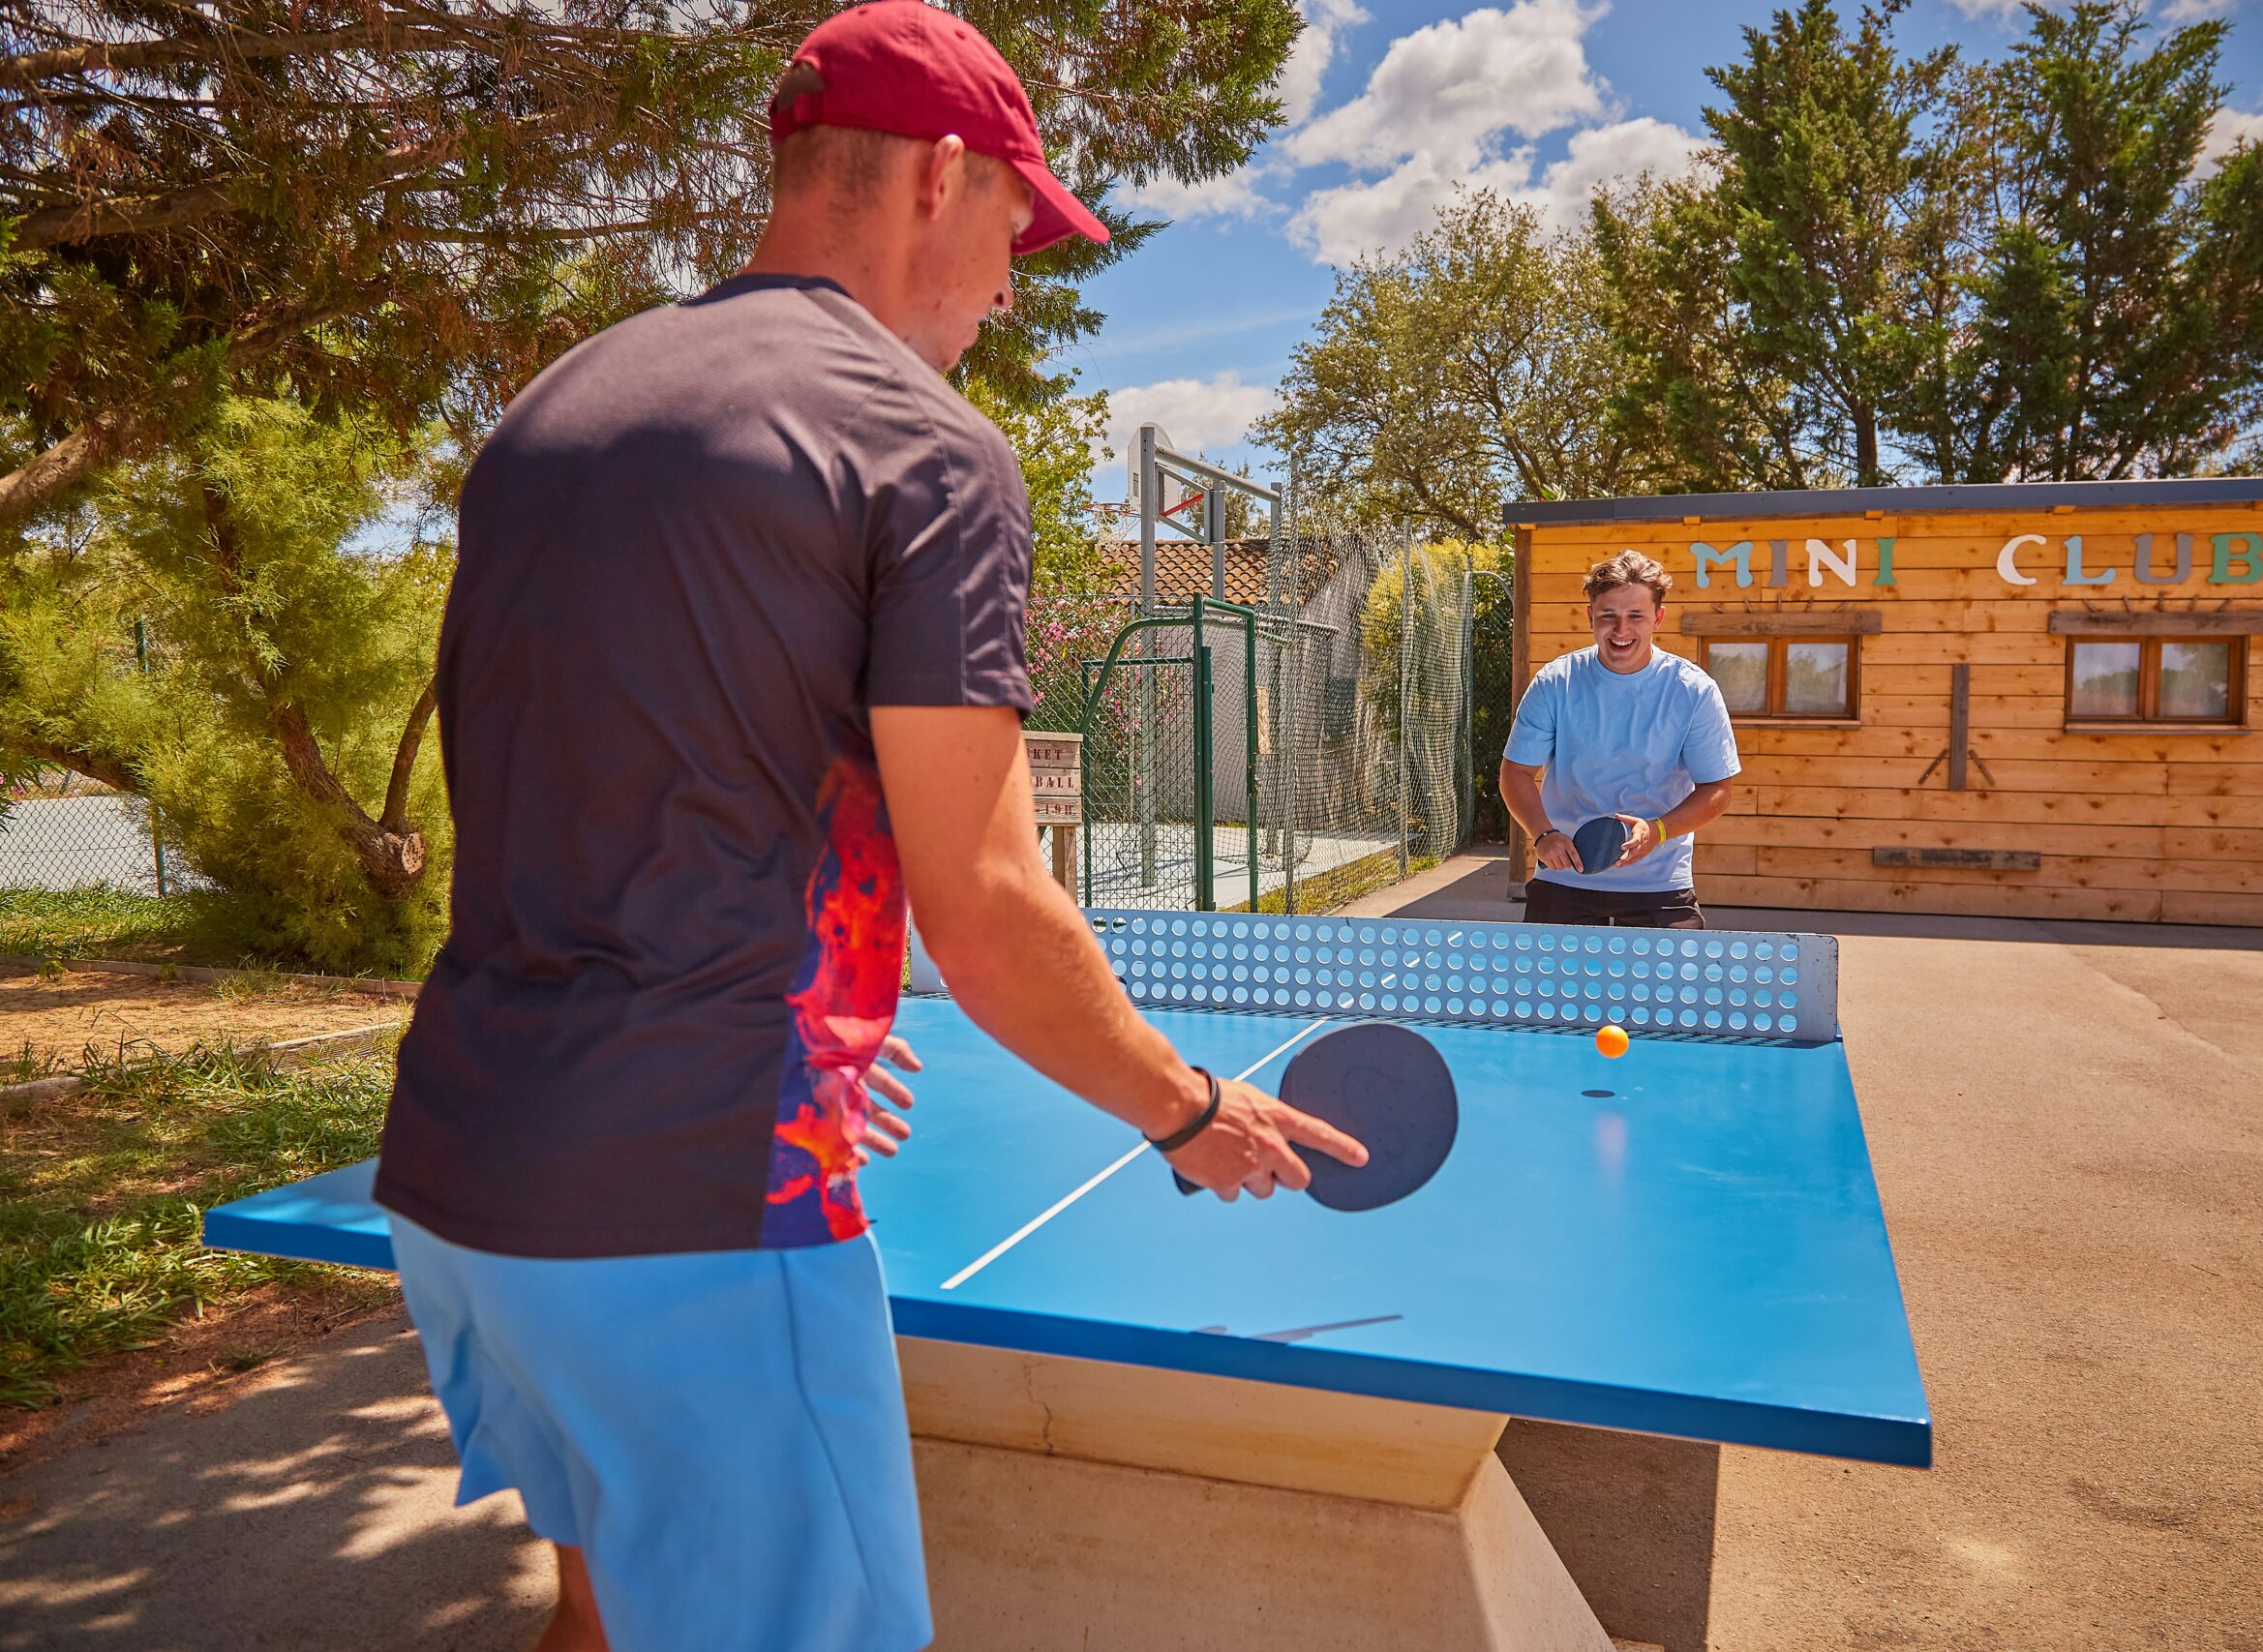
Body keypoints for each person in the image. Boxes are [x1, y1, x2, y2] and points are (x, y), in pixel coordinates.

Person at [372, 7, 1366, 1650]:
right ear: (937, 178)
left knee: (606, 1614)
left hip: (465, 1171)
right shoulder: (921, 446)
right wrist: (1186, 1108)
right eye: (1016, 231)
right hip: (699, 1195)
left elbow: (605, 789)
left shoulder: (551, 415)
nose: (1012, 287)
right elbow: (988, 903)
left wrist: (807, 1011)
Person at [1498, 550, 1740, 929]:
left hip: (1659, 885)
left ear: (1657, 617)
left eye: (1636, 616)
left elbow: (1718, 790)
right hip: (1564, 879)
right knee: (1544, 973)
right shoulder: (1555, 682)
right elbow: (1515, 774)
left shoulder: (1693, 690)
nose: (1621, 629)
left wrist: (1657, 831)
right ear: (1590, 616)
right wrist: (1543, 834)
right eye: (1608, 615)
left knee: (1676, 973)